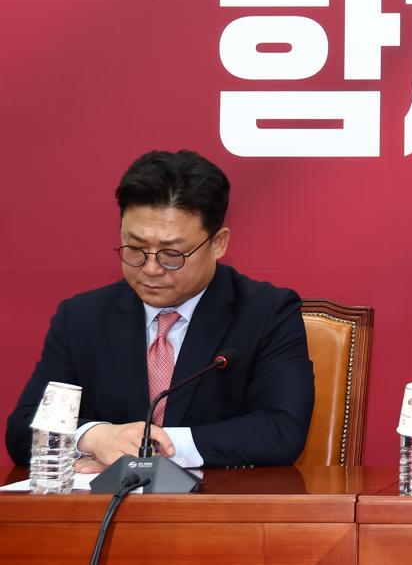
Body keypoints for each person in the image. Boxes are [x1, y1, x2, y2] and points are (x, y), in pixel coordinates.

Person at [6, 150, 314, 469]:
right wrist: (94, 437)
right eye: (135, 248)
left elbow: (282, 431)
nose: (151, 269)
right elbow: (23, 429)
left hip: (215, 497)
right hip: (104, 500)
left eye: (172, 254)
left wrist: (150, 448)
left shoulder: (267, 313)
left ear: (218, 243)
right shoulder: (82, 317)